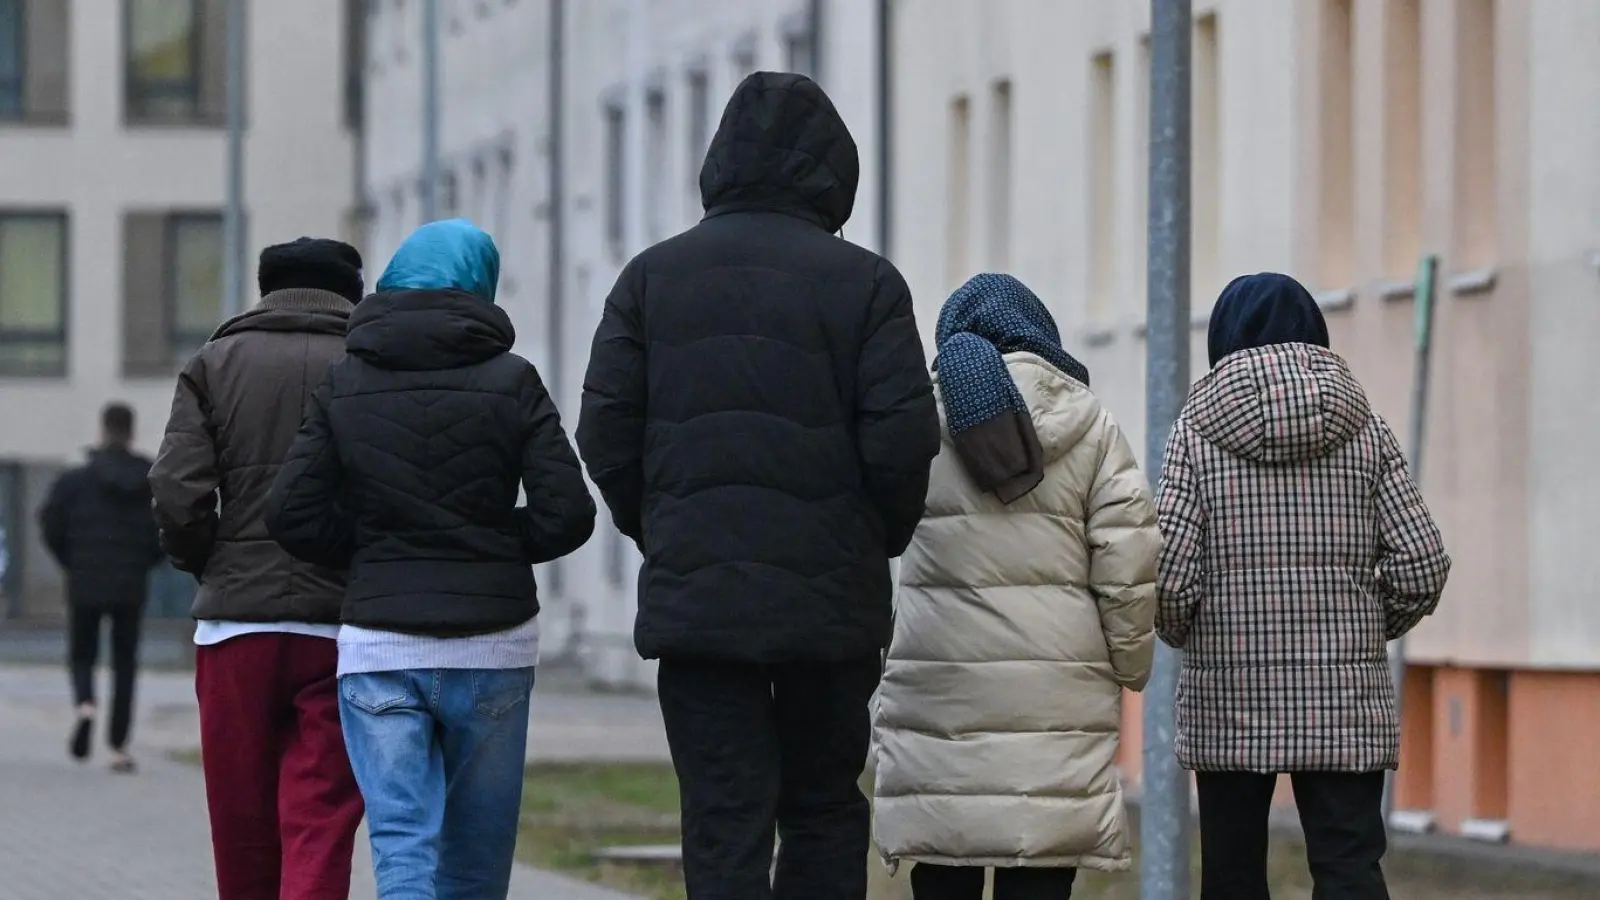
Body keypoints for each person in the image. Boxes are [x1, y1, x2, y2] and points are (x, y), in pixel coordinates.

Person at [577, 71, 940, 900]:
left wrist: (661, 525)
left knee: (722, 817)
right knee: (821, 808)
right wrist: (868, 538)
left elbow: (605, 428)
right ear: (832, 171)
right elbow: (903, 440)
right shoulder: (868, 285)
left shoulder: (650, 280)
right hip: (829, 607)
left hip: (699, 605)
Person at [267, 219, 595, 900]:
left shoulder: (346, 380)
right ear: (479, 286)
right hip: (493, 646)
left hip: (381, 646)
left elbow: (289, 513)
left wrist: (370, 551)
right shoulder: (513, 380)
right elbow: (569, 513)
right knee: (476, 862)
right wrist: (497, 546)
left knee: (403, 851)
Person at [1154, 272, 1452, 900]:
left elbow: (1169, 577)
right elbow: (1422, 561)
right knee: (1349, 868)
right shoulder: (1364, 428)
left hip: (1229, 694)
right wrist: (1367, 622)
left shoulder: (1195, 435)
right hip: (1345, 696)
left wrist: (1187, 631)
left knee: (1232, 877)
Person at [871, 274, 1158, 900]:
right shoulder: (1093, 428)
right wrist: (1132, 665)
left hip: (939, 684)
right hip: (1058, 695)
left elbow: (870, 532)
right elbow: (1128, 561)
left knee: (944, 867)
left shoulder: (916, 422)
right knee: (1042, 870)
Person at [149, 238, 367, 900]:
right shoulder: (369, 362)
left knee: (241, 821)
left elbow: (177, 490)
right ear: (352, 292)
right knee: (320, 819)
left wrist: (207, 563)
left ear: (265, 288)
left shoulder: (214, 363)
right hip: (340, 628)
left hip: (235, 627)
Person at [39, 403, 163, 773]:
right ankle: (117, 747)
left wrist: (71, 562)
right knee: (125, 663)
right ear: (132, 431)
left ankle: (85, 706)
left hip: (84, 581)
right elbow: (166, 529)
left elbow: (50, 524)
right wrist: (144, 562)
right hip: (130, 583)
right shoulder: (148, 479)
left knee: (82, 654)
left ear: (102, 429)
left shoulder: (75, 481)